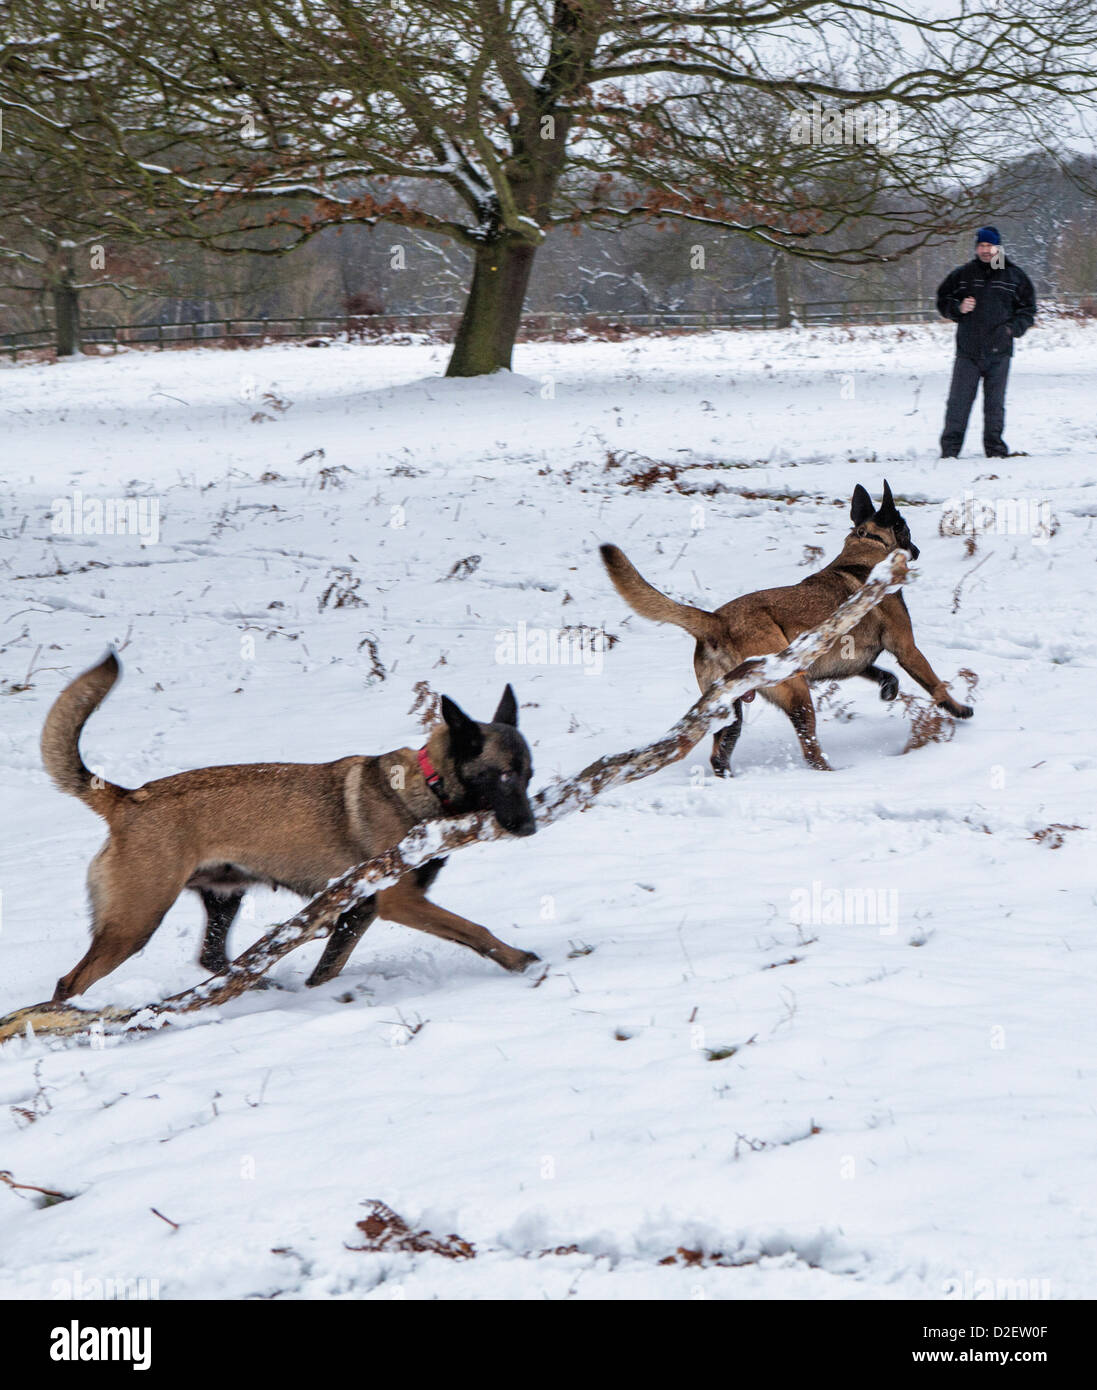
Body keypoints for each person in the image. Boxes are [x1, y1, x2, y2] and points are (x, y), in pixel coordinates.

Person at [936, 227, 1036, 458]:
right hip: (968, 352)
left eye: (989, 246)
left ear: (998, 247)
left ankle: (995, 450)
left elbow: (1028, 309)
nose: (985, 250)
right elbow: (943, 299)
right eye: (981, 246)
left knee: (995, 406)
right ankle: (950, 452)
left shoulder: (1014, 276)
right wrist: (958, 309)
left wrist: (1012, 329)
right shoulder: (963, 275)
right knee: (958, 405)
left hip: (999, 352)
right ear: (976, 248)